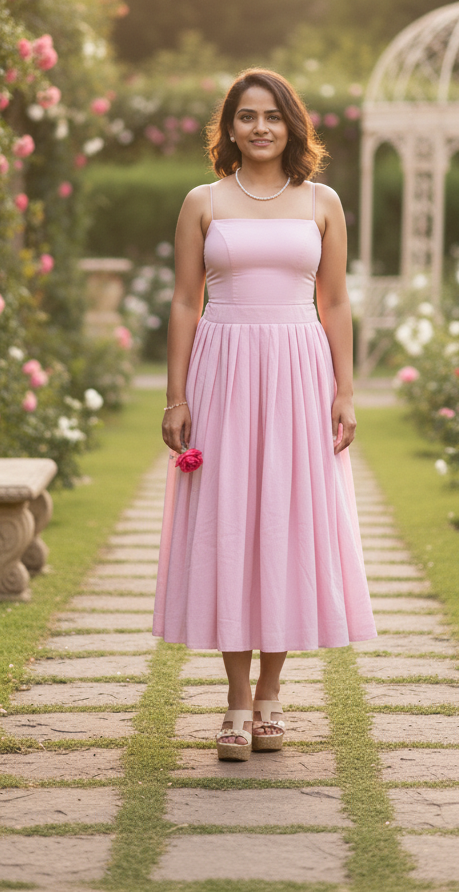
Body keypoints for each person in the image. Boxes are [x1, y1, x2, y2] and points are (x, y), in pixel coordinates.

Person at [153, 68, 376, 761]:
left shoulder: (322, 203)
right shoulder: (202, 202)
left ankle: (274, 698)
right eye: (246, 116)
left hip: (298, 372)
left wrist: (344, 390)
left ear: (292, 126)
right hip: (222, 371)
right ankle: (236, 704)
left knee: (283, 522)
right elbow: (186, 302)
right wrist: (177, 395)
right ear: (229, 127)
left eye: (272, 116)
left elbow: (334, 302)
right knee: (229, 524)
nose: (259, 128)